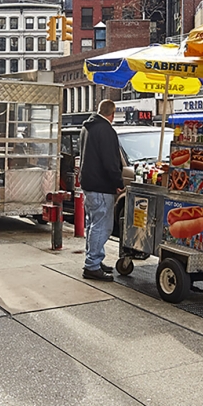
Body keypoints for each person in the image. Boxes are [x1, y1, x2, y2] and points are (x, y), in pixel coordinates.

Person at [79, 99, 124, 281]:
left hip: (89, 184)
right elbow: (110, 161)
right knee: (102, 226)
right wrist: (118, 181)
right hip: (101, 185)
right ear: (112, 114)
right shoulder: (106, 131)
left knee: (92, 224)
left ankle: (95, 258)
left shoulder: (87, 128)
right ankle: (92, 265)